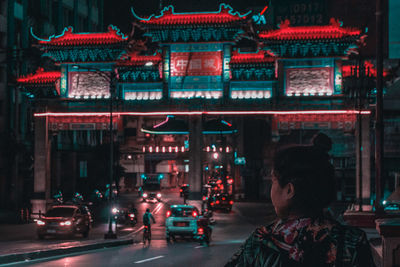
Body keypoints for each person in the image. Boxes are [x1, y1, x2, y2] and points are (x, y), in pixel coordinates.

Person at [225, 145, 375, 267]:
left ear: (289, 190)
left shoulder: (263, 240)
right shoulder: (352, 240)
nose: (271, 190)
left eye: (273, 181)